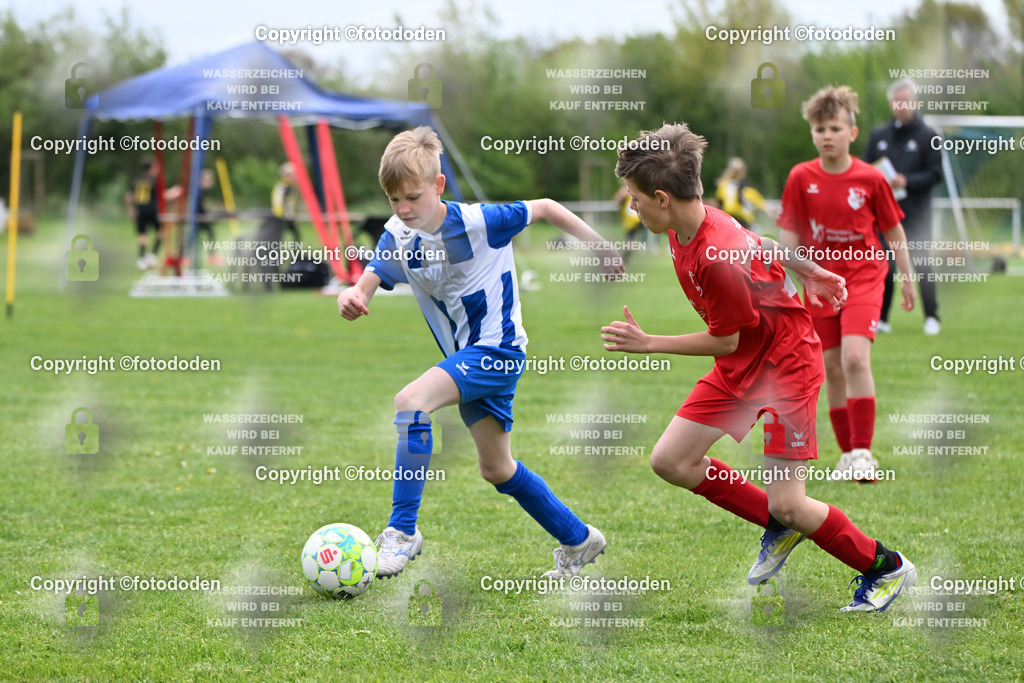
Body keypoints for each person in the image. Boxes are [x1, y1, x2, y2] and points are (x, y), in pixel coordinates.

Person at [603, 122, 917, 612]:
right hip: (745, 364)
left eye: (635, 197)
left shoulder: (712, 254)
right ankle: (777, 526)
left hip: (785, 367)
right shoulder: (695, 223)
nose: (632, 207)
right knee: (671, 460)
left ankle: (886, 567)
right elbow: (759, 242)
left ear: (662, 197)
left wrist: (648, 343)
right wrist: (809, 268)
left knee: (791, 501)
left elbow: (724, 340)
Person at [337, 127, 623, 579]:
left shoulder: (480, 222)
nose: (403, 209)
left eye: (412, 197)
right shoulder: (398, 234)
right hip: (467, 360)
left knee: (411, 403)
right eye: (393, 200)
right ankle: (578, 539)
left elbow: (545, 207)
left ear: (438, 185)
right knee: (497, 468)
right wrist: (353, 297)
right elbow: (367, 280)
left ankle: (401, 532)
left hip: (498, 350)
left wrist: (601, 249)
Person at [777, 86, 916, 482]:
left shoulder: (871, 178)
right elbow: (787, 243)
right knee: (832, 368)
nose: (826, 135)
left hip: (865, 276)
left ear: (852, 133)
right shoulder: (800, 177)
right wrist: (796, 278)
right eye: (819, 128)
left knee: (855, 358)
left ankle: (863, 453)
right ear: (812, 133)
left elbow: (895, 233)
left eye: (835, 127)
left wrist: (906, 279)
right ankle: (846, 455)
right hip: (820, 282)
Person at [863, 79, 944, 335]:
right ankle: (882, 319)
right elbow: (864, 169)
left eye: (905, 101)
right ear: (890, 103)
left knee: (922, 264)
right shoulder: (879, 136)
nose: (901, 106)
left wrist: (907, 181)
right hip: (884, 215)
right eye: (897, 101)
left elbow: (935, 174)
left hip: (916, 213)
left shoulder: (928, 136)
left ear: (914, 102)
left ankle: (932, 316)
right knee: (884, 265)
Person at [125, 157, 162, 270]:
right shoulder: (155, 181)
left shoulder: (137, 181)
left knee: (142, 236)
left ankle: (141, 260)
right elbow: (163, 196)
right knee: (161, 232)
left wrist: (131, 211)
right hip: (152, 210)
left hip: (140, 210)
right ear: (151, 168)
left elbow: (128, 197)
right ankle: (152, 256)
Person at [714, 157, 767, 231]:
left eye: (739, 170)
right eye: (734, 169)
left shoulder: (749, 191)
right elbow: (718, 204)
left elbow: (763, 206)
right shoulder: (724, 187)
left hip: (745, 224)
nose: (737, 172)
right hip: (729, 222)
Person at [613, 182, 645, 263]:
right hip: (632, 221)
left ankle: (624, 259)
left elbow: (617, 199)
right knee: (631, 243)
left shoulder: (630, 190)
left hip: (636, 220)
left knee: (631, 242)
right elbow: (617, 200)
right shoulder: (625, 191)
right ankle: (624, 259)